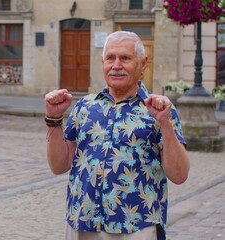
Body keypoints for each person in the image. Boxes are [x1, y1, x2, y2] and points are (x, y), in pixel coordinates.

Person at [44, 31, 190, 240]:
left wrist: (165, 123)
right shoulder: (85, 106)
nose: (116, 65)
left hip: (137, 226)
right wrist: (53, 118)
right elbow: (59, 165)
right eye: (111, 58)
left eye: (126, 58)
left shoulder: (159, 110)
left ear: (143, 64)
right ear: (102, 62)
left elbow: (179, 175)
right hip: (83, 222)